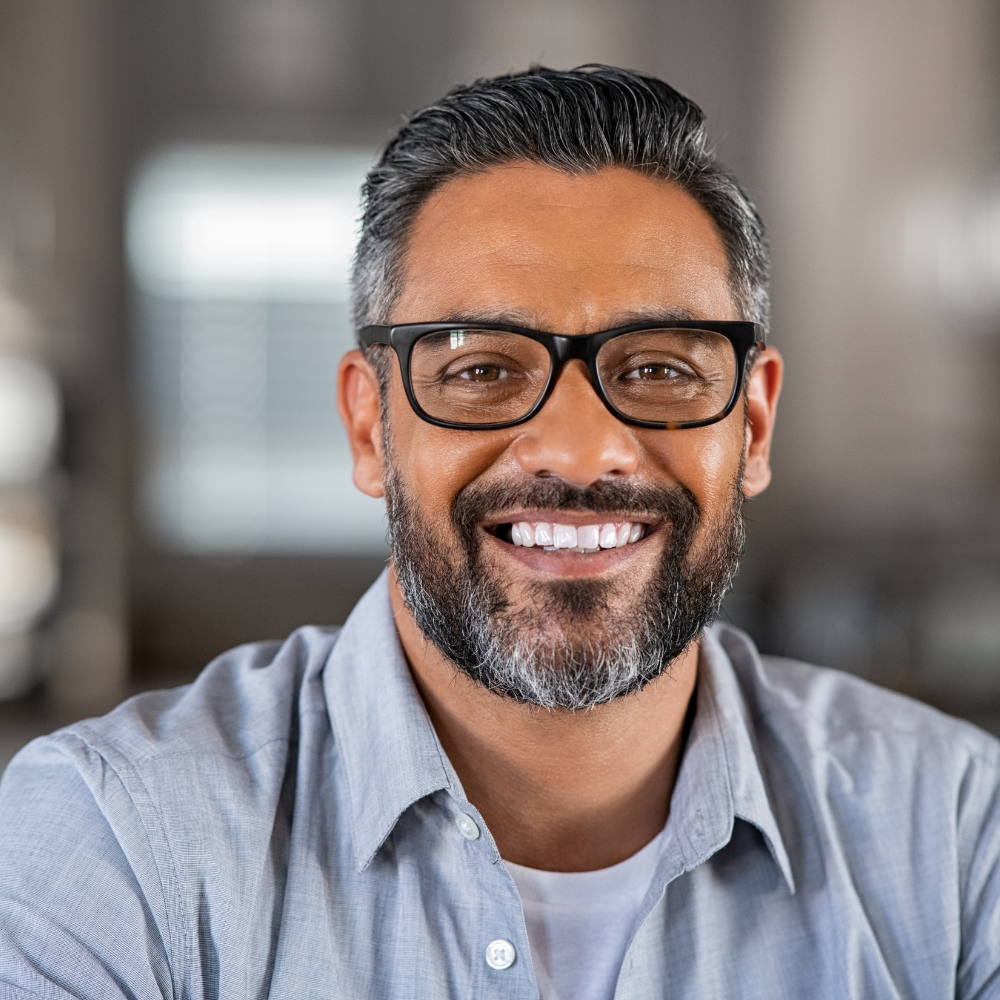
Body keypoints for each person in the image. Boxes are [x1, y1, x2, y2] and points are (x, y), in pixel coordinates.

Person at [1, 65, 999, 1000]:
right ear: (368, 422)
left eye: (656, 368)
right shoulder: (112, 840)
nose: (577, 450)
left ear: (752, 422)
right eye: (481, 369)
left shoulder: (957, 837)